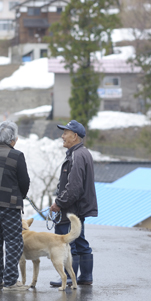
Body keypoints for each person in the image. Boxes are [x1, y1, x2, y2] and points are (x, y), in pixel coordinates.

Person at [0, 120, 30, 291]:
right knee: (14, 242)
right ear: (13, 139)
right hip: (9, 205)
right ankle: (10, 282)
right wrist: (21, 195)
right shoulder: (17, 155)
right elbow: (24, 182)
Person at [49, 120, 98, 287]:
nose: (62, 136)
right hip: (79, 208)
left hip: (71, 209)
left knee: (68, 243)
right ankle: (85, 277)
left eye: (65, 133)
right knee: (80, 241)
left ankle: (69, 278)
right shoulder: (83, 153)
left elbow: (74, 187)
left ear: (75, 136)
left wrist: (59, 203)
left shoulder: (76, 155)